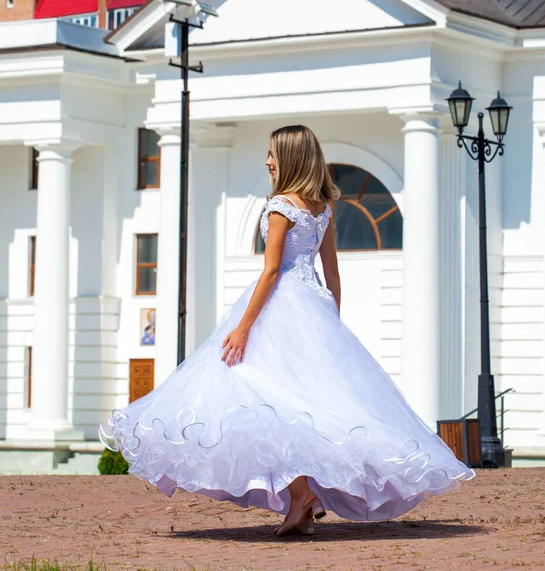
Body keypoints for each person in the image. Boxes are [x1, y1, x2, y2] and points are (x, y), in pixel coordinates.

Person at [99, 125, 474, 537]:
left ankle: (300, 495)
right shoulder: (324, 206)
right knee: (295, 405)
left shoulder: (280, 207)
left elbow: (272, 271)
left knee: (258, 398)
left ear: (291, 158)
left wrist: (243, 328)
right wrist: (332, 324)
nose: (267, 161)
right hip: (313, 308)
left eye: (273, 154)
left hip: (278, 306)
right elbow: (332, 273)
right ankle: (300, 499)